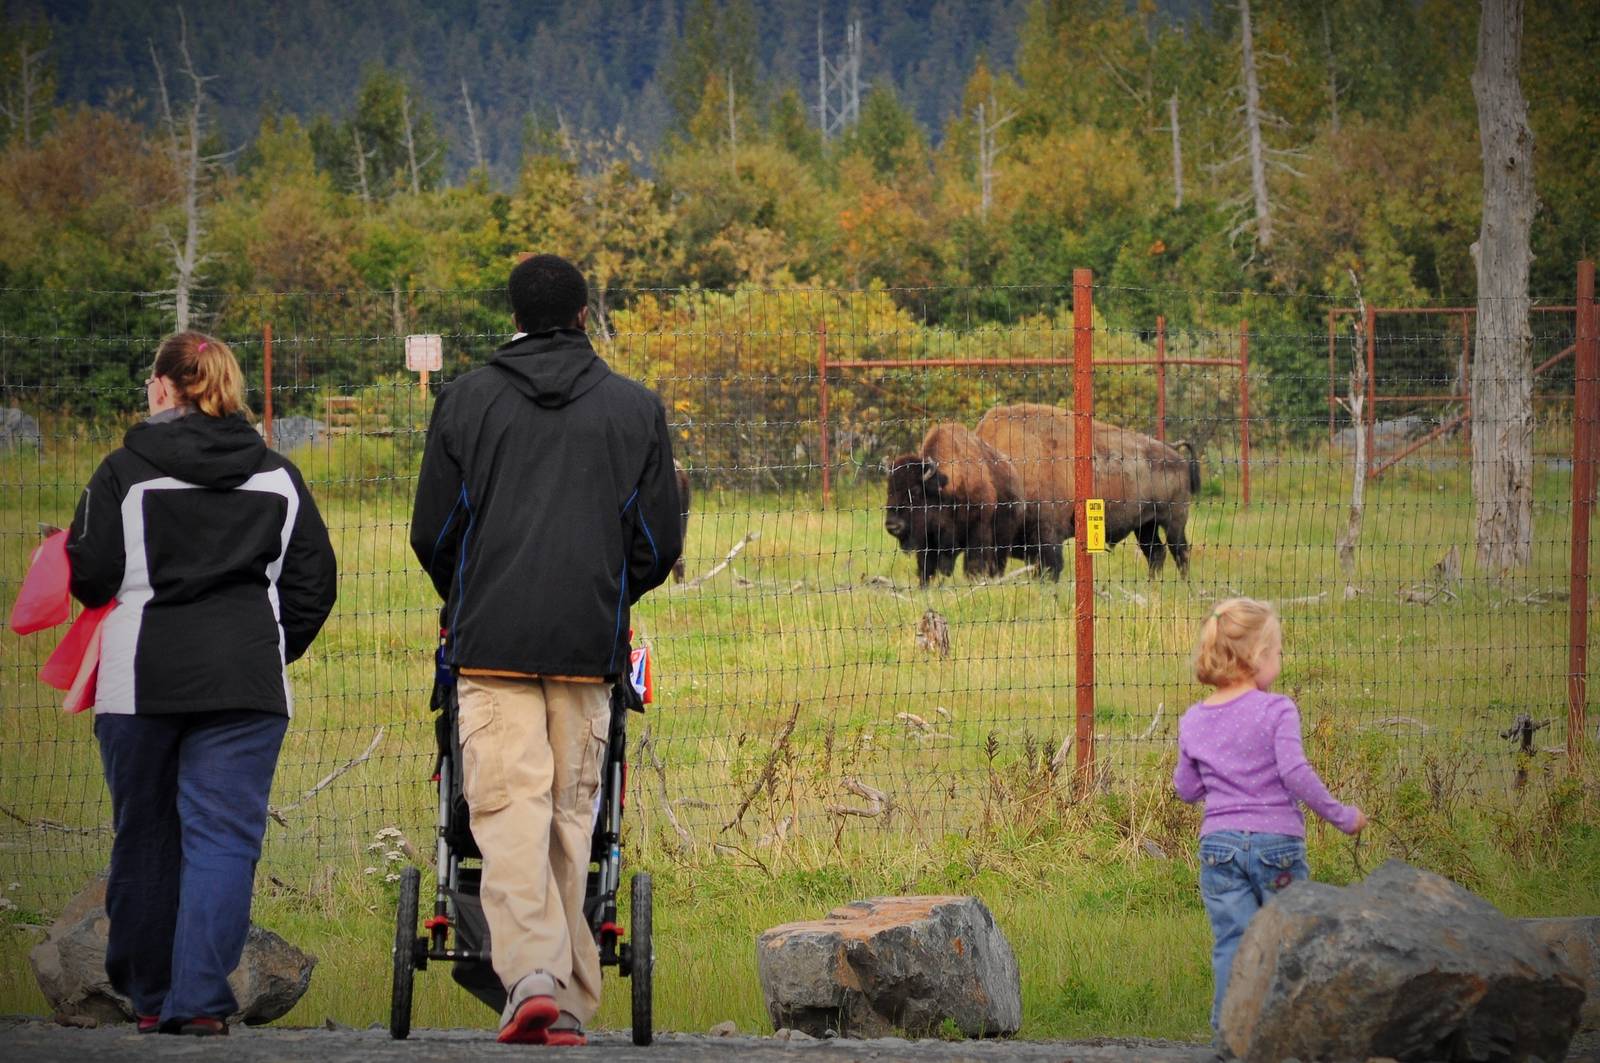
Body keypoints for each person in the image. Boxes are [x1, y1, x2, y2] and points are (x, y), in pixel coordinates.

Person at [410, 254, 681, 1046]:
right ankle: (560, 993)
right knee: (572, 815)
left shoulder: (463, 402)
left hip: (488, 643)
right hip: (587, 643)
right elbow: (658, 540)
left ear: (515, 312)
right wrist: (606, 586)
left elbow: (434, 530)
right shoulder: (636, 410)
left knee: (504, 809)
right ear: (584, 312)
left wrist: (471, 588)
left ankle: (529, 974)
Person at [65, 331, 337, 1035]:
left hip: (139, 683)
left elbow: (89, 573)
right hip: (246, 681)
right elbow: (315, 583)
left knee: (145, 836)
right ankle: (199, 1000)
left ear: (162, 387)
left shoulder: (122, 471)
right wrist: (274, 647)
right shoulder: (277, 474)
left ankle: (150, 994)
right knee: (223, 840)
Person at [1173, 597, 1366, 1035]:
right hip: (1277, 845)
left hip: (1219, 847)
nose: (1280, 659)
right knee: (1287, 940)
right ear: (1258, 656)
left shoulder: (1194, 719)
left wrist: (1220, 775)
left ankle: (1231, 1031)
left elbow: (1186, 789)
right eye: (1277, 651)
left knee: (1231, 943)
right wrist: (1341, 815)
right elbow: (1294, 773)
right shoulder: (1277, 710)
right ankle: (1286, 1030)